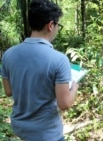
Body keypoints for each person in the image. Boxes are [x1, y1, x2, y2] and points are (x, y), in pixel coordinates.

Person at [1, 0, 79, 140]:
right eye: (57, 25)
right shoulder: (59, 60)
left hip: (20, 127)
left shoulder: (8, 54)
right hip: (46, 133)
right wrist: (75, 86)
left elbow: (8, 91)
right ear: (50, 25)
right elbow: (65, 104)